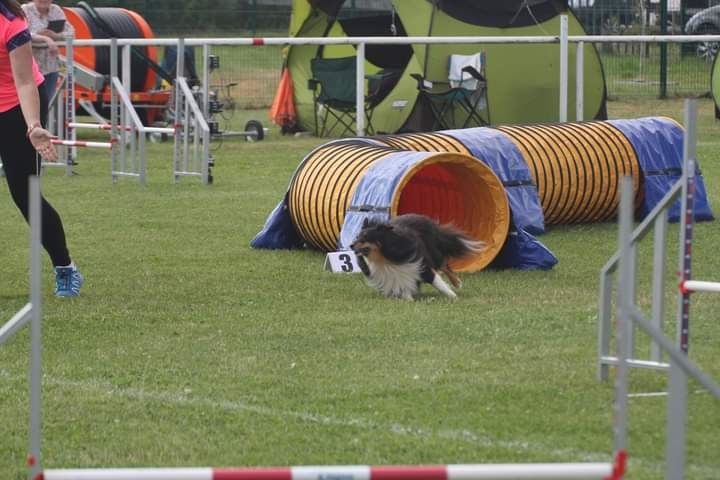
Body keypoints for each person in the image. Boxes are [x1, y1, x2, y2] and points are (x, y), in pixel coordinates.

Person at [1, 0, 83, 297]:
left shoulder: (12, 24)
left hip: (16, 110)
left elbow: (24, 82)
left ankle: (65, 267)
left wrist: (33, 126)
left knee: (26, 196)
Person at [21, 0, 71, 105]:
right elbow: (21, 33)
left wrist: (55, 36)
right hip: (29, 69)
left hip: (51, 68)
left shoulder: (56, 10)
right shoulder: (24, 10)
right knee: (28, 105)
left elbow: (71, 33)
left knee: (45, 106)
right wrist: (44, 38)